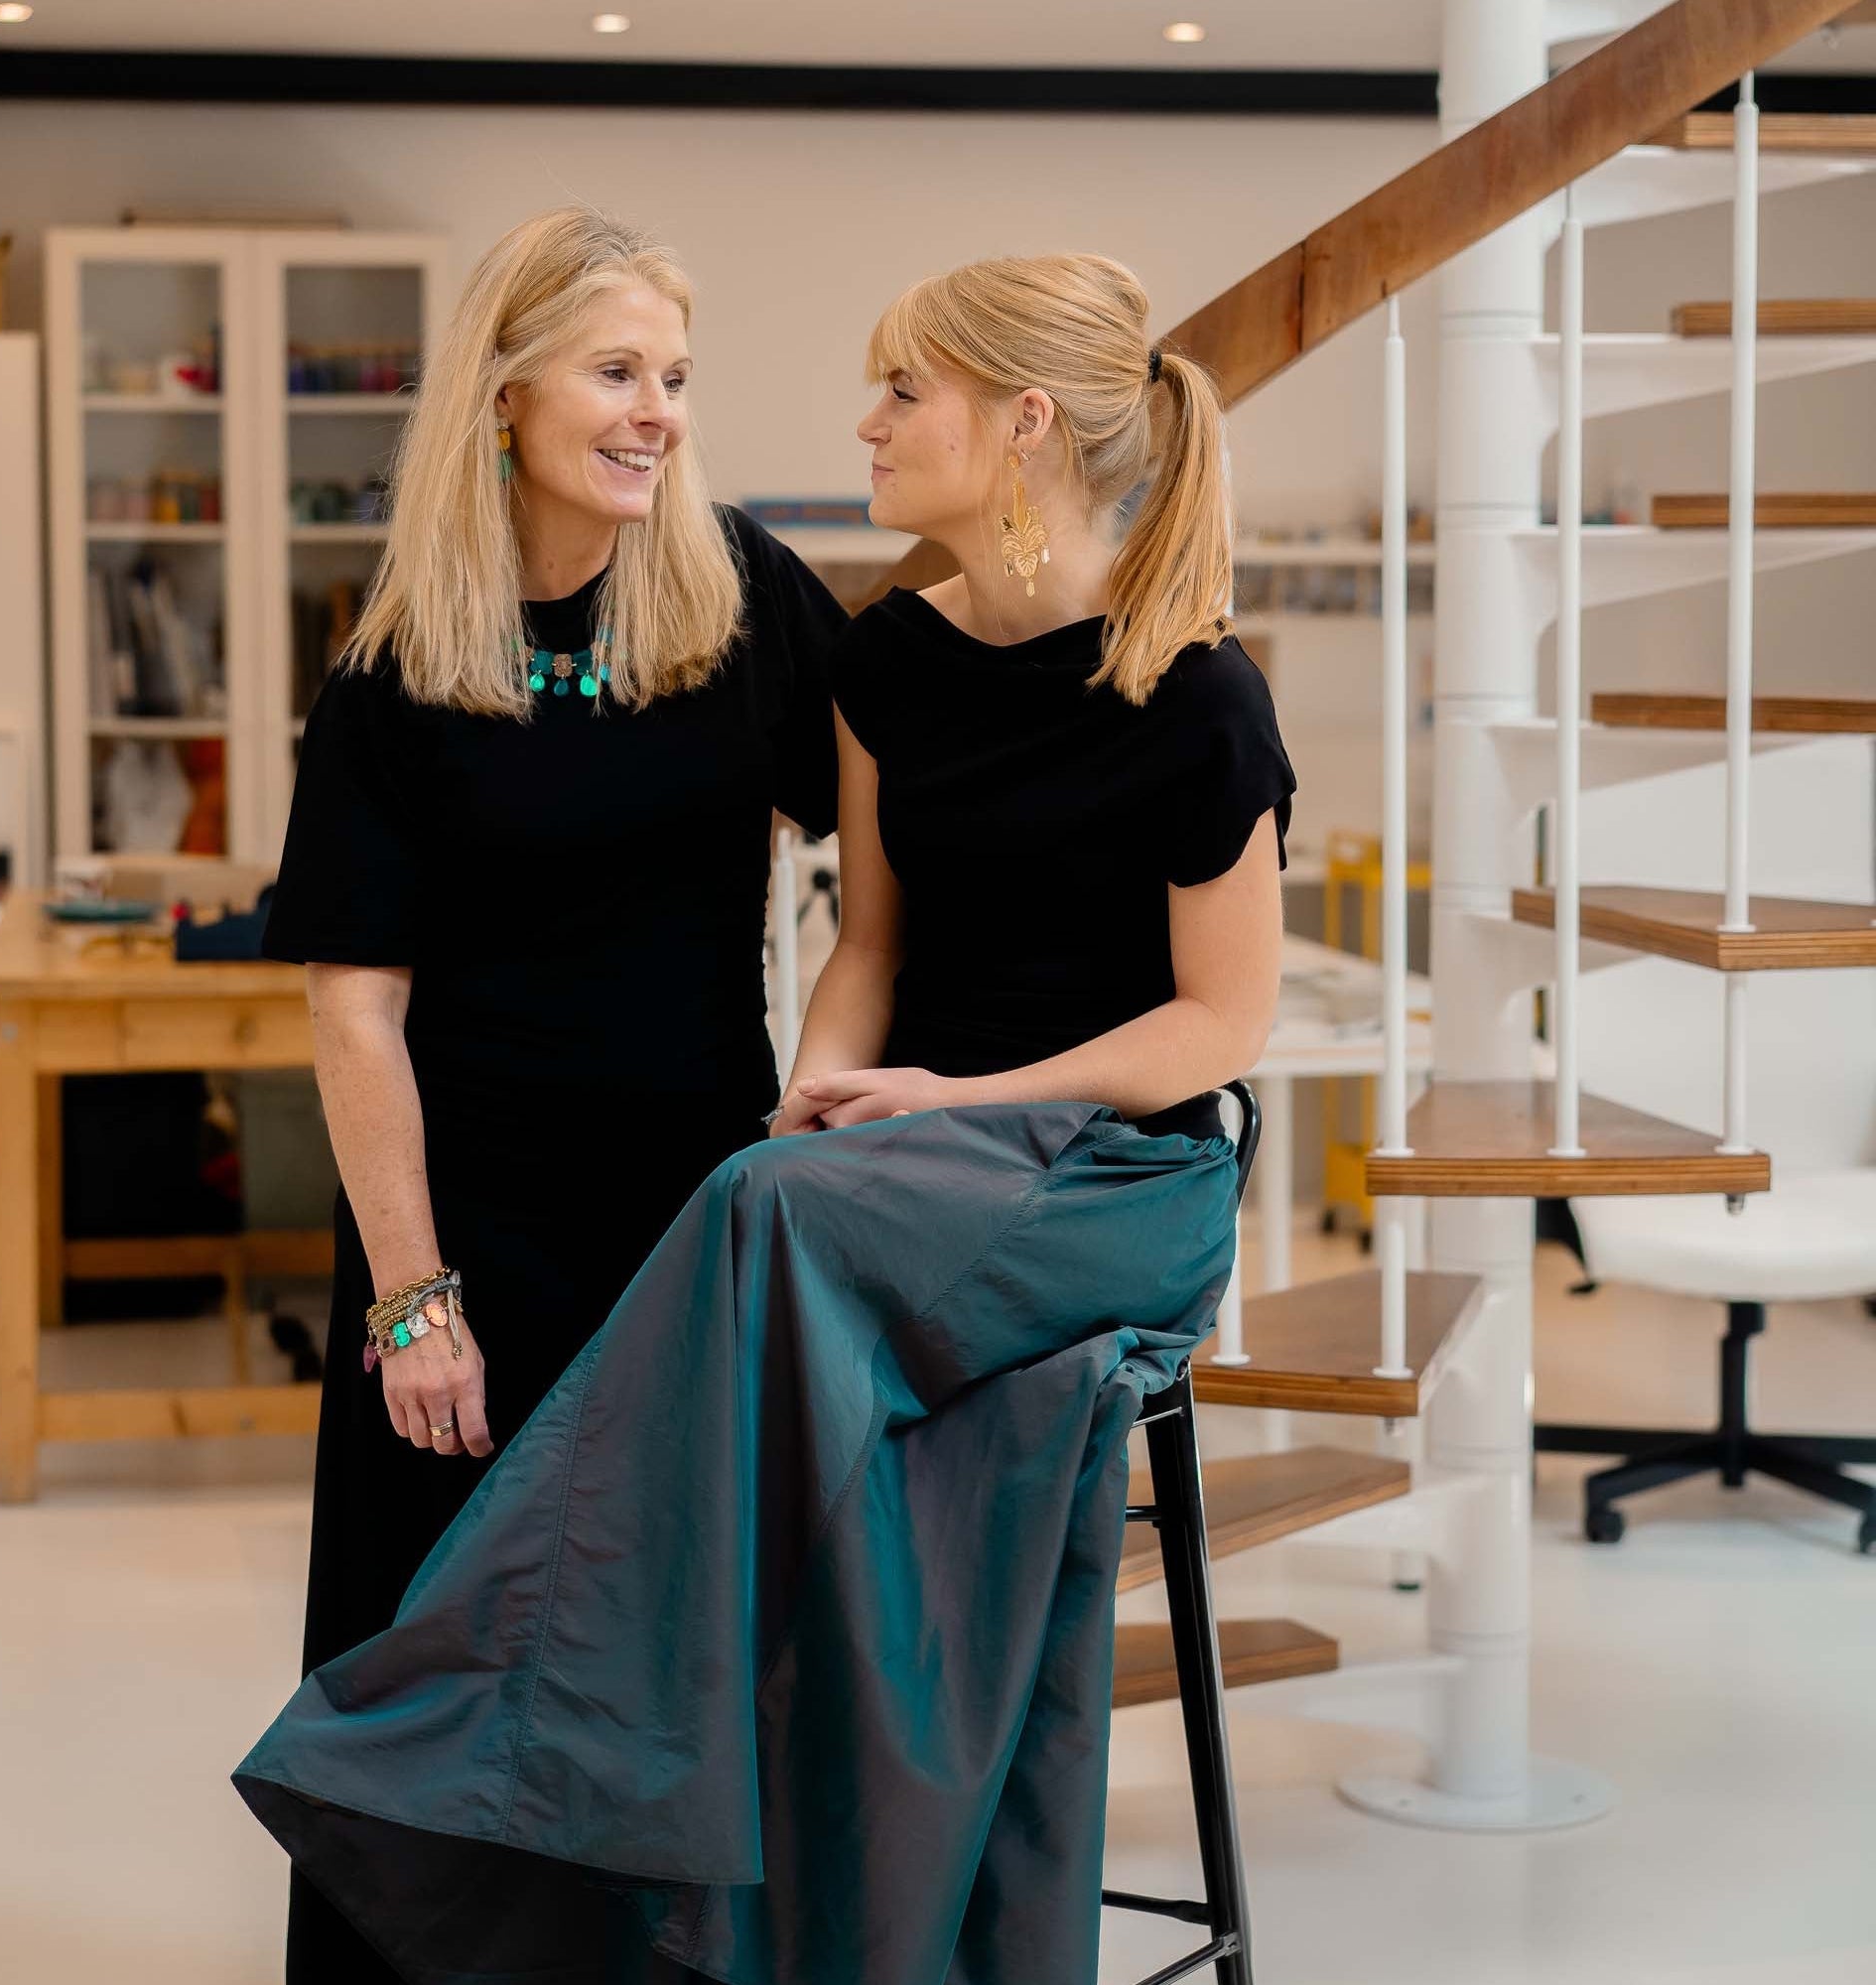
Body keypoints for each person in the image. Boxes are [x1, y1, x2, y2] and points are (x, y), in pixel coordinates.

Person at [261, 204, 843, 1983]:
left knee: (661, 1661)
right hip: (466, 1253)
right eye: (616, 370)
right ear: (507, 390)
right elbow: (354, 1013)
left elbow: (897, 862)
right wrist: (412, 1298)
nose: (655, 408)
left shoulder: (742, 598)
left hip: (687, 1224)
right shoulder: (393, 672)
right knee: (435, 1653)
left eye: (674, 374)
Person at [773, 250, 1291, 1140]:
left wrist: (960, 1100)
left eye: (902, 393)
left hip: (1115, 1165)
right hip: (917, 1144)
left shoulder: (1202, 695)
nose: (870, 425)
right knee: (749, 1202)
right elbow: (868, 949)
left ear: (1027, 422)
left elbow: (1225, 1023)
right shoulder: (880, 660)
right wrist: (808, 1107)